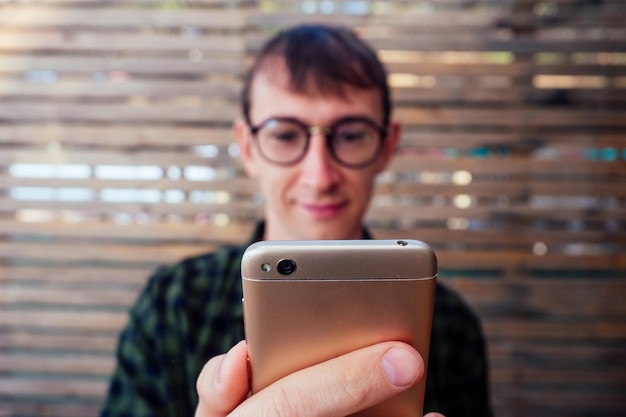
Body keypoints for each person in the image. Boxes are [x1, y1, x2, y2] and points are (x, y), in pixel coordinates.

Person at [100, 23, 491, 417]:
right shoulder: (172, 306)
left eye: (351, 135)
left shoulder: (451, 325)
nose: (319, 177)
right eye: (285, 135)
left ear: (387, 146)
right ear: (248, 147)